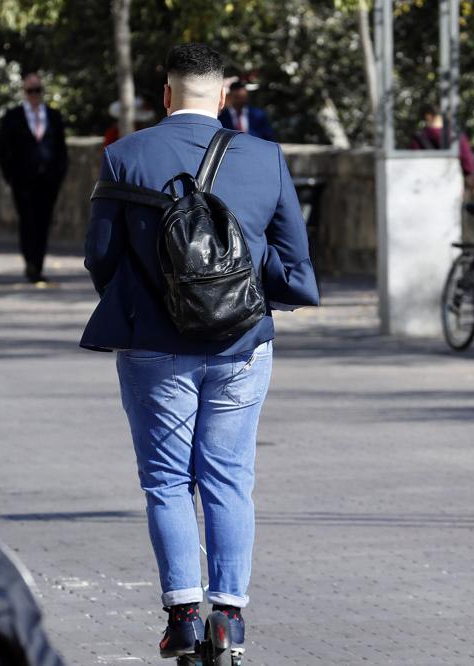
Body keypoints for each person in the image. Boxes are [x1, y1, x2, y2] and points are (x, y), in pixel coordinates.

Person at [82, 43, 319, 660]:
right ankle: (230, 621)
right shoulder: (264, 158)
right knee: (229, 478)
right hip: (242, 344)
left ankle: (184, 616)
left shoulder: (124, 156)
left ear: (165, 95)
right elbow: (293, 257)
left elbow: (100, 258)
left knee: (166, 480)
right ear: (221, 96)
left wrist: (145, 296)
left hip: (153, 346)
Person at [0, 71, 68, 283]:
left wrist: (59, 174)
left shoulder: (53, 116)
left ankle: (38, 263)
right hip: (23, 180)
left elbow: (61, 149)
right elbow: (3, 149)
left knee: (43, 222)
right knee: (27, 222)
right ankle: (30, 264)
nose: (34, 95)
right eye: (30, 91)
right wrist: (10, 176)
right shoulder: (13, 117)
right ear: (24, 92)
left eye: (38, 90)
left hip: (48, 181)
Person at [409, 104, 474, 181]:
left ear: (428, 116)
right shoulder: (457, 137)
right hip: (451, 184)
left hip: (426, 184)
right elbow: (469, 166)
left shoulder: (419, 138)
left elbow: (413, 165)